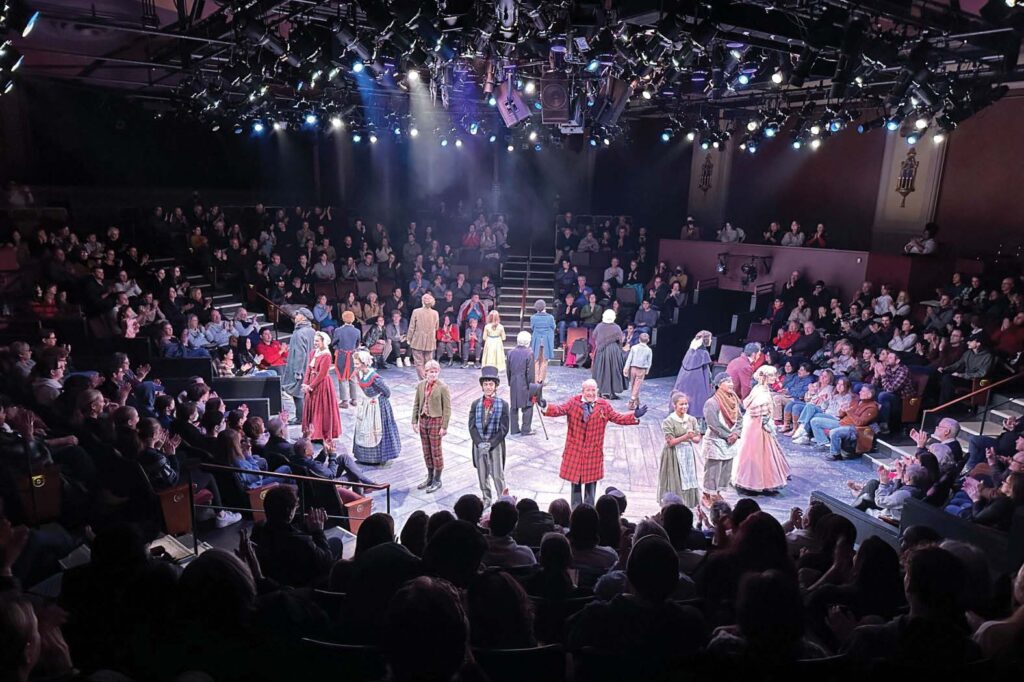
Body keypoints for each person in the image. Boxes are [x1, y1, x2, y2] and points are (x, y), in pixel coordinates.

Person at [542, 378, 647, 507]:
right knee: (575, 486)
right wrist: (545, 406)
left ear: (597, 390)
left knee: (590, 487)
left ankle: (590, 512)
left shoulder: (603, 405)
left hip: (593, 453)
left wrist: (634, 415)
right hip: (575, 451)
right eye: (588, 390)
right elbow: (559, 409)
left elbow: (617, 418)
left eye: (593, 390)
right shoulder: (573, 402)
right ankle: (576, 513)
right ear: (583, 391)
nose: (591, 393)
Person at [733, 365, 791, 493]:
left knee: (765, 450)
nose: (775, 378)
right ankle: (754, 481)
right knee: (756, 452)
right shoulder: (761, 393)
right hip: (757, 425)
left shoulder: (761, 389)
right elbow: (754, 410)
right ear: (764, 377)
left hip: (757, 423)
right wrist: (766, 422)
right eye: (772, 375)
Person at [468, 366, 511, 507]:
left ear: (495, 386)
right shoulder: (475, 404)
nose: (488, 387)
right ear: (482, 386)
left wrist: (491, 443)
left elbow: (504, 428)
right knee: (482, 473)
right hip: (479, 444)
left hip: (495, 444)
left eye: (491, 384)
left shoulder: (503, 405)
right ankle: (486, 497)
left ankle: (502, 498)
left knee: (497, 474)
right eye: (485, 384)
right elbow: (472, 426)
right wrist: (479, 442)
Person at [350, 350, 401, 466]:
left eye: (357, 363)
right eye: (355, 363)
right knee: (364, 428)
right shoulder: (360, 374)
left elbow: (387, 392)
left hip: (377, 405)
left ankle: (379, 457)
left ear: (364, 363)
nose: (355, 365)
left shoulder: (375, 377)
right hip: (367, 403)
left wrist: (376, 399)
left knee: (377, 430)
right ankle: (364, 457)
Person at [702, 372, 742, 506]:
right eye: (727, 382)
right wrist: (727, 436)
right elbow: (713, 423)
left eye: (731, 381)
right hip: (716, 440)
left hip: (731, 441)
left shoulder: (733, 400)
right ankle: (707, 494)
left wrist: (736, 434)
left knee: (725, 470)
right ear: (719, 385)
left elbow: (740, 419)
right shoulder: (712, 402)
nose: (731, 384)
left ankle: (717, 492)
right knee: (713, 470)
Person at [412, 360, 451, 494]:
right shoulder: (421, 385)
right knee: (426, 450)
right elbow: (416, 404)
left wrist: (444, 426)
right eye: (431, 372)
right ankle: (429, 476)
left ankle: (437, 479)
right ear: (425, 372)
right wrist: (414, 421)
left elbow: (447, 408)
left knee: (436, 451)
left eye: (435, 372)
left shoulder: (443, 387)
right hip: (423, 420)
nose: (433, 374)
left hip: (436, 421)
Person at [658, 393, 703, 507]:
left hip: (687, 452)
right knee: (676, 478)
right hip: (673, 453)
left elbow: (697, 439)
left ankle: (687, 502)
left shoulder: (691, 419)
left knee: (688, 477)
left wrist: (692, 437)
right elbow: (671, 442)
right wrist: (686, 436)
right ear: (674, 405)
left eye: (686, 404)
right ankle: (674, 504)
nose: (684, 406)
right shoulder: (669, 421)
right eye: (681, 404)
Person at [301, 331, 342, 453]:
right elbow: (308, 369)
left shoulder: (327, 355)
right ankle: (311, 433)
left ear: (324, 342)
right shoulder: (313, 353)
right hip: (311, 383)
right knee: (311, 407)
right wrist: (305, 383)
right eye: (314, 341)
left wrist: (311, 386)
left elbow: (322, 374)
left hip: (322, 385)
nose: (315, 343)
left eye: (317, 341)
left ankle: (321, 433)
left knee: (321, 408)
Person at [282, 307, 315, 421]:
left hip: (301, 367)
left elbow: (300, 354)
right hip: (310, 366)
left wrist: (298, 371)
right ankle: (308, 416)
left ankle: (301, 418)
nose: (295, 317)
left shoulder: (299, 333)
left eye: (298, 315)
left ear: (303, 317)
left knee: (297, 393)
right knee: (305, 393)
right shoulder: (312, 331)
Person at [673, 330, 714, 417]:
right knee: (697, 397)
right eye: (710, 339)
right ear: (706, 340)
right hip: (697, 380)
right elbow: (706, 373)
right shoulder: (703, 353)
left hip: (684, 378)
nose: (711, 341)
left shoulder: (690, 351)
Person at [592, 309, 626, 399]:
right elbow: (620, 340)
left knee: (601, 370)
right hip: (613, 350)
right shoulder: (616, 327)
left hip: (601, 350)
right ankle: (611, 392)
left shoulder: (599, 326)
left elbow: (594, 335)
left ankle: (601, 391)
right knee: (613, 370)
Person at [506, 331, 536, 436]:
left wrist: (510, 382)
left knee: (514, 406)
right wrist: (532, 387)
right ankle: (526, 429)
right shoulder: (529, 353)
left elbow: (508, 370)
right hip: (524, 383)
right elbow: (530, 373)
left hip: (514, 381)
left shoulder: (510, 353)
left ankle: (514, 429)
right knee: (528, 405)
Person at [332, 310, 361, 410]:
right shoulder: (357, 331)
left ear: (343, 319)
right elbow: (357, 344)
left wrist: (337, 348)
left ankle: (344, 401)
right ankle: (354, 399)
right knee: (352, 377)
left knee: (342, 377)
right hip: (352, 355)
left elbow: (334, 343)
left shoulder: (338, 331)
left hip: (342, 355)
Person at [407, 292, 439, 379]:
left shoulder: (416, 312)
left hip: (418, 340)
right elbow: (436, 327)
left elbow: (412, 327)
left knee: (419, 362)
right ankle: (429, 380)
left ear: (422, 301)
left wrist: (409, 338)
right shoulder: (435, 313)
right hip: (430, 340)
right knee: (428, 362)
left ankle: (422, 381)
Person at [623, 332, 652, 410]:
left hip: (633, 368)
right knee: (637, 385)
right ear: (648, 340)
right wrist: (647, 370)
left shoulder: (634, 348)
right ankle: (631, 401)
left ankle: (636, 401)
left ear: (639, 339)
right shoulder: (649, 350)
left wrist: (626, 368)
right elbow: (649, 361)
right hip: (642, 369)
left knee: (633, 385)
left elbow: (629, 358)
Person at [530, 299, 556, 384]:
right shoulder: (550, 317)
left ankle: (536, 379)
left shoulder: (533, 317)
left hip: (537, 339)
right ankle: (541, 379)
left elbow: (532, 327)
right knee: (544, 360)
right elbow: (553, 327)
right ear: (545, 307)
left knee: (536, 359)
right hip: (546, 340)